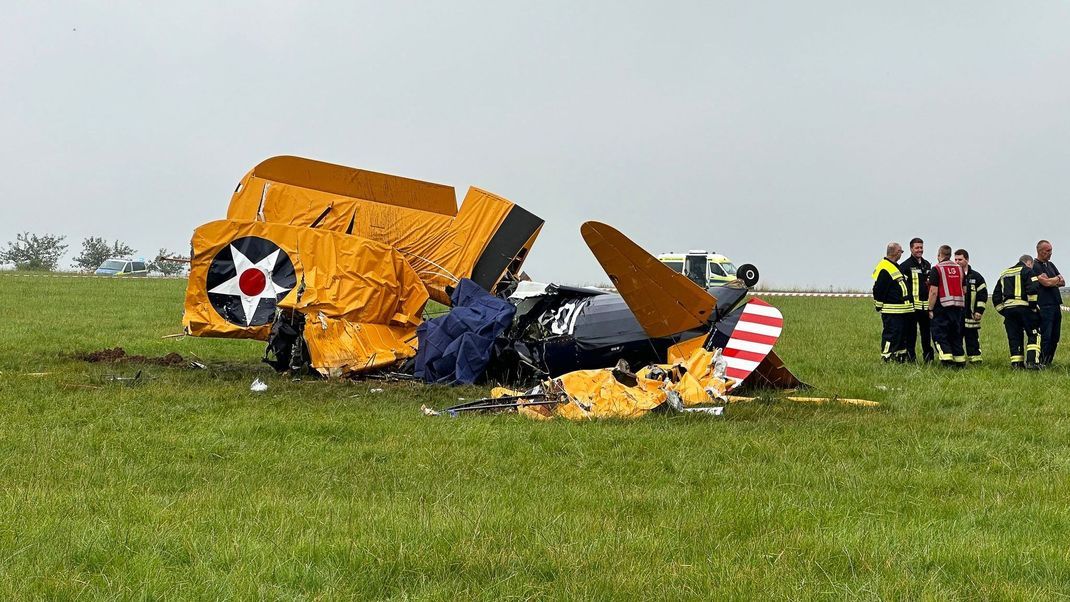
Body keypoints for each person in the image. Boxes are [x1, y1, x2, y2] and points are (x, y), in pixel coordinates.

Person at [992, 254, 1042, 369]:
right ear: (1029, 263)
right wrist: (1033, 307)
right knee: (1034, 334)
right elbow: (1033, 289)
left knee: (1014, 337)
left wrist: (1003, 311)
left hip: (1009, 311)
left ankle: (1017, 364)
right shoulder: (1028, 271)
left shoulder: (1004, 274)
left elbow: (996, 297)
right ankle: (1032, 362)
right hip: (1025, 309)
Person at [926, 245, 966, 367]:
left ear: (940, 255)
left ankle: (946, 359)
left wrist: (930, 308)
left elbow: (933, 291)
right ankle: (960, 361)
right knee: (955, 335)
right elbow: (964, 289)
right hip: (957, 308)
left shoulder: (937, 269)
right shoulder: (959, 269)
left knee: (939, 334)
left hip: (942, 307)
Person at [872, 242, 912, 362]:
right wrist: (879, 305)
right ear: (896, 252)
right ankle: (887, 356)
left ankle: (900, 356)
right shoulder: (885, 267)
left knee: (901, 335)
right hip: (892, 309)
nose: (901, 254)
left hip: (902, 310)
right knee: (891, 334)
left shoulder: (895, 266)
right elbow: (879, 288)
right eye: (901, 251)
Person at [900, 237, 933, 362]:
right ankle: (911, 358)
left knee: (926, 334)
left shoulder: (927, 264)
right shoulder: (905, 266)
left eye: (921, 247)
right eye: (917, 248)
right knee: (911, 334)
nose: (919, 250)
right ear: (911, 249)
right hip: (912, 307)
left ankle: (928, 358)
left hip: (925, 307)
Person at [1032, 240, 1064, 366]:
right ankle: (1042, 361)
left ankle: (1049, 361)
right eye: (1048, 251)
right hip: (1045, 306)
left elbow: (1062, 281)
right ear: (1040, 251)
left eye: (1051, 250)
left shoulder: (1051, 265)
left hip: (1056, 304)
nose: (1050, 253)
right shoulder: (1035, 266)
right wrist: (1055, 280)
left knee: (1055, 336)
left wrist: (1053, 280)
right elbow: (1046, 283)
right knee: (1047, 335)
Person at [954, 249, 987, 363]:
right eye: (956, 259)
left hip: (971, 315)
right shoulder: (952, 276)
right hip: (956, 314)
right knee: (956, 338)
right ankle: (958, 361)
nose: (957, 262)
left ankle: (975, 360)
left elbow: (982, 295)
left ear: (967, 260)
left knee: (972, 338)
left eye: (960, 259)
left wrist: (979, 311)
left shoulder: (976, 277)